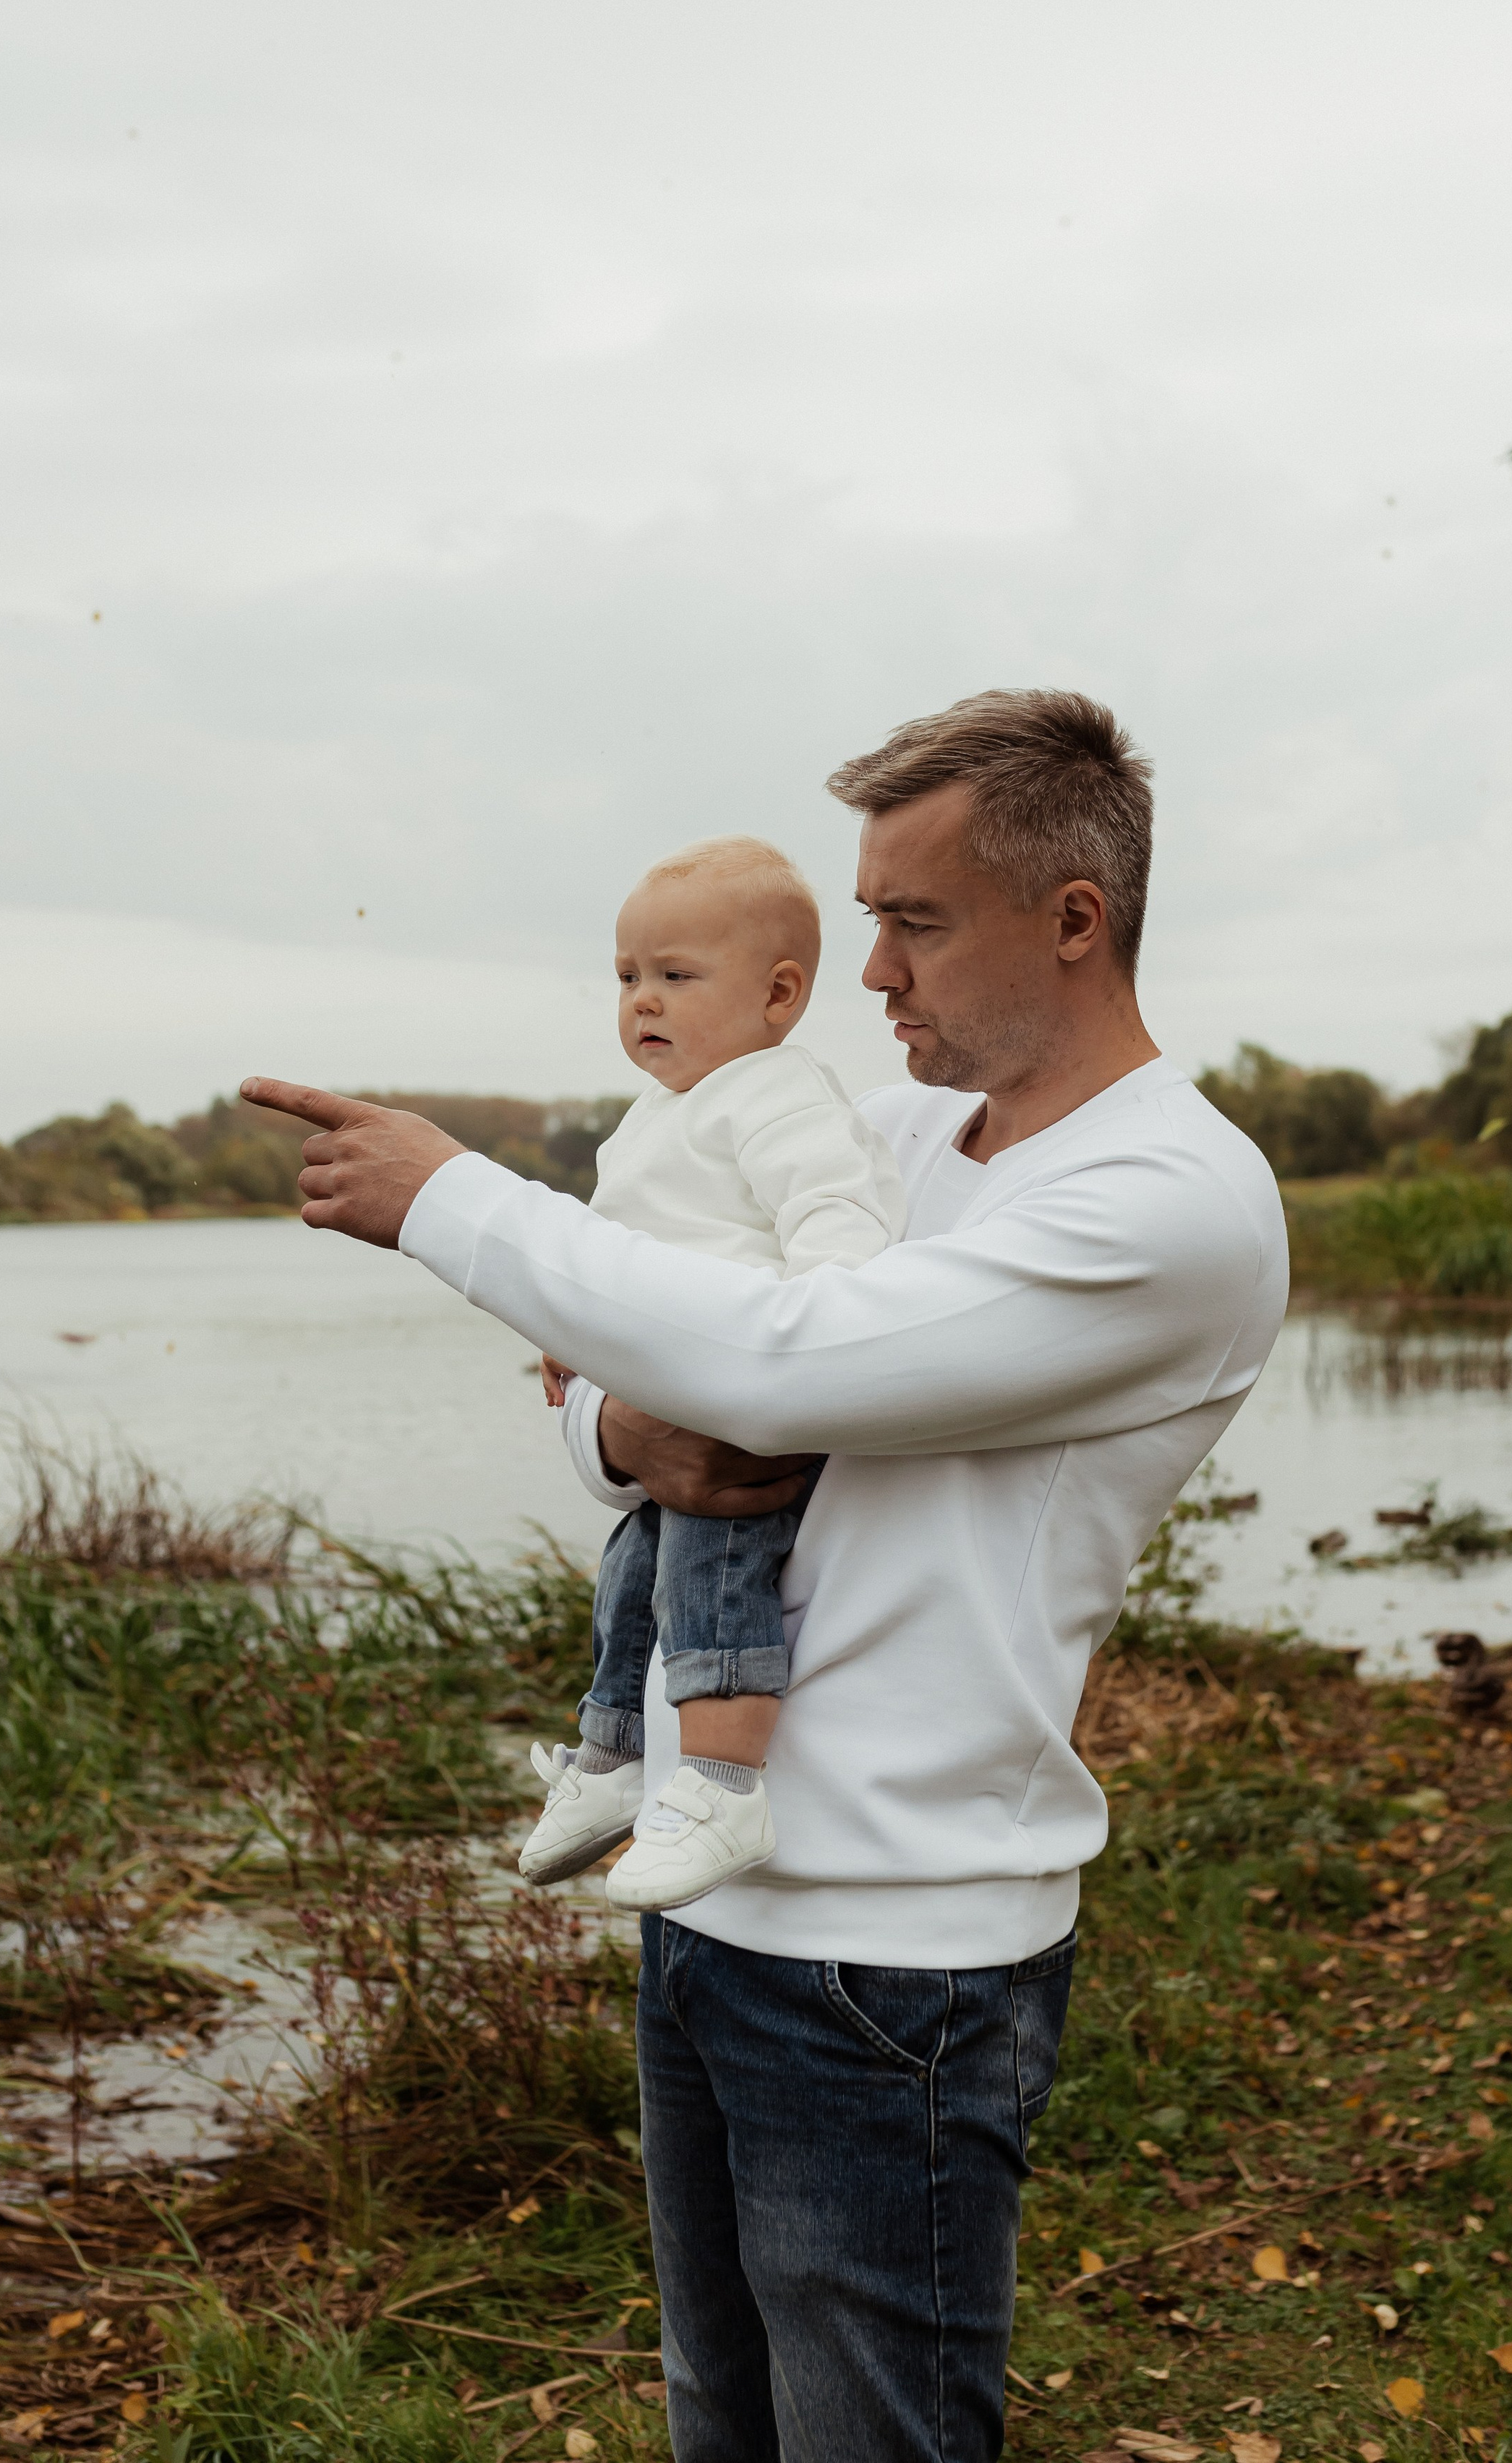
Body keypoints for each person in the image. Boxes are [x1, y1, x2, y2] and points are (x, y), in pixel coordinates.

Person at [242, 686, 1289, 2463]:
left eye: (911, 918)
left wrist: (447, 1197)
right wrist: (625, 1438)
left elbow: (773, 1360)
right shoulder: (880, 1140)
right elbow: (629, 1381)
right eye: (867, 914)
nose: (871, 970)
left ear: (1072, 917)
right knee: (716, 2421)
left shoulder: (1167, 1200)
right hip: (707, 1900)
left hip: (895, 1956)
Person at [519, 832, 905, 1913]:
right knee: (634, 1575)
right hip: (674, 1393)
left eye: (675, 976)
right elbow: (612, 1245)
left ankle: (728, 1782)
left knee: (717, 1573)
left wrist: (814, 1338)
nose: (642, 999)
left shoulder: (777, 1096)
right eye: (628, 976)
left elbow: (839, 1220)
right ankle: (614, 1756)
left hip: (746, 1403)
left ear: (780, 994)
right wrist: (569, 1320)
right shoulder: (657, 1115)